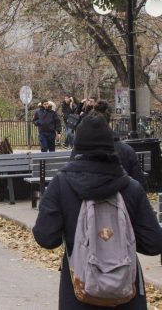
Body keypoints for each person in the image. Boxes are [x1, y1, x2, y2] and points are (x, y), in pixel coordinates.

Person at [33, 114, 162, 308]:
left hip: (79, 293)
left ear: (77, 147)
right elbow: (153, 243)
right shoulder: (131, 187)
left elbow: (46, 237)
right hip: (126, 293)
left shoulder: (62, 184)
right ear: (112, 146)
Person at [71, 101, 147, 188]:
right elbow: (141, 184)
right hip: (122, 197)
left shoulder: (78, 150)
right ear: (109, 121)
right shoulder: (126, 150)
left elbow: (71, 180)